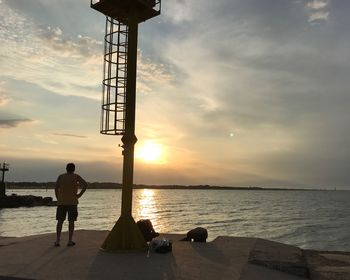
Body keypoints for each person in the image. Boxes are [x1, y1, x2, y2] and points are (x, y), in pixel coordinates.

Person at [54, 163, 87, 247]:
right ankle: (69, 240)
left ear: (66, 168)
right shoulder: (76, 176)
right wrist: (79, 195)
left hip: (61, 202)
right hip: (72, 202)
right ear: (74, 169)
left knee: (60, 221)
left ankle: (57, 241)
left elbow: (56, 188)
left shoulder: (61, 176)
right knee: (71, 221)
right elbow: (85, 185)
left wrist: (58, 198)